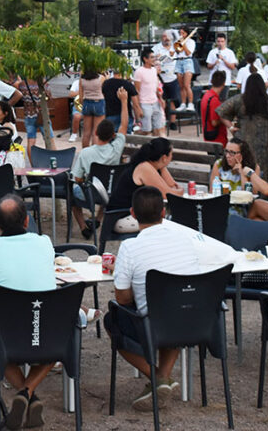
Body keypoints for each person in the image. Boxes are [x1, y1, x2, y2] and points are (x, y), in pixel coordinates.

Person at [0, 194, 57, 430]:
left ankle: (25, 394)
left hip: (8, 337)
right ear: (27, 221)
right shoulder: (45, 243)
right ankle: (28, 394)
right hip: (45, 331)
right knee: (61, 340)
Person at [106, 185, 200, 411]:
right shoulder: (187, 240)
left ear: (133, 214)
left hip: (153, 324)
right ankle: (163, 378)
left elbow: (122, 298)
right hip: (191, 319)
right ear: (163, 213)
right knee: (175, 303)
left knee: (112, 318)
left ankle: (158, 378)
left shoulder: (130, 247)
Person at [69, 90, 132, 239]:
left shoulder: (86, 153)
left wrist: (83, 182)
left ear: (96, 133)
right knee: (108, 186)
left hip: (88, 193)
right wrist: (124, 101)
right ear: (113, 135)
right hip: (108, 193)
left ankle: (84, 227)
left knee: (71, 193)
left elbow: (77, 178)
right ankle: (97, 220)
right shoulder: (116, 148)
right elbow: (124, 124)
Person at [217, 73, 268, 179]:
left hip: (243, 144)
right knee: (265, 174)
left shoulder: (239, 100)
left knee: (244, 171)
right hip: (265, 145)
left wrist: (231, 127)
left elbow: (221, 111)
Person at [108, 137, 183, 209]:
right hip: (121, 214)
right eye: (171, 154)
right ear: (164, 157)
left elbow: (172, 185)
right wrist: (180, 191)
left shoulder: (154, 164)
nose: (172, 157)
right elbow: (168, 195)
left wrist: (163, 166)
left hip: (134, 213)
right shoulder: (144, 167)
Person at [133, 48, 166, 137]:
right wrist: (138, 107)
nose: (154, 59)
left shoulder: (154, 70)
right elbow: (136, 91)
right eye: (151, 57)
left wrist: (161, 99)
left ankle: (155, 149)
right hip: (144, 103)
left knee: (157, 129)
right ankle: (133, 136)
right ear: (145, 59)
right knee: (146, 130)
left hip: (155, 102)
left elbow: (155, 87)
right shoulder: (139, 71)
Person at [13, 75, 47, 160]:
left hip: (28, 115)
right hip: (41, 115)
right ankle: (52, 162)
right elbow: (49, 96)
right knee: (49, 139)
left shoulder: (22, 84)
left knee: (31, 140)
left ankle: (33, 165)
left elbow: (15, 89)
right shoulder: (43, 83)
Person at [102, 69, 141, 136]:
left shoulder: (106, 84)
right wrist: (137, 119)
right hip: (126, 115)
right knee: (125, 137)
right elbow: (135, 104)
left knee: (110, 137)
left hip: (110, 114)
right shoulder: (128, 84)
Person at [152, 31, 181, 115]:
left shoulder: (175, 47)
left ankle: (173, 122)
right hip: (161, 78)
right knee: (161, 100)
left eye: (168, 36)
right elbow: (151, 60)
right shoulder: (156, 48)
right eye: (164, 36)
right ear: (161, 37)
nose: (167, 38)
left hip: (173, 77)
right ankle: (162, 120)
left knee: (173, 101)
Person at [172, 26, 197, 112]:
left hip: (187, 62)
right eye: (180, 33)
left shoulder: (191, 42)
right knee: (181, 86)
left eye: (183, 33)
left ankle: (190, 104)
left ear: (187, 33)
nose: (181, 35)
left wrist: (184, 43)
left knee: (187, 85)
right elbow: (176, 51)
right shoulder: (177, 42)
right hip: (179, 61)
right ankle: (183, 104)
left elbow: (188, 53)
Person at [200, 70, 229, 144]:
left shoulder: (206, 95)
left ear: (211, 81)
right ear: (223, 83)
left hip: (209, 138)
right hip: (218, 140)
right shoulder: (214, 100)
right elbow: (214, 123)